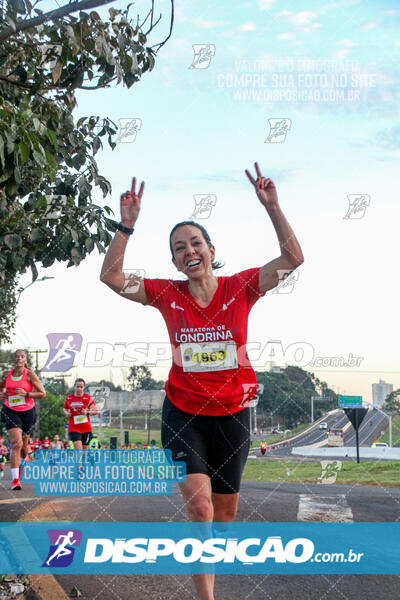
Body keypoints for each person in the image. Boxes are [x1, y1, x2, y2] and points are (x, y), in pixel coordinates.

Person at [100, 166, 303, 600]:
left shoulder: (242, 287)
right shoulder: (166, 294)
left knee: (222, 520)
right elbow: (112, 278)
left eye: (195, 243)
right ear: (174, 261)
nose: (188, 251)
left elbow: (292, 260)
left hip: (232, 416)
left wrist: (273, 207)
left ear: (211, 249)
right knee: (200, 507)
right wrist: (126, 226)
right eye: (178, 248)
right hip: (182, 415)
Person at [0, 349, 46, 490]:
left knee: (24, 447)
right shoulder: (6, 375)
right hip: (11, 410)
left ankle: (23, 462)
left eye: (22, 356)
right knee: (16, 443)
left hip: (27, 412)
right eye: (17, 356)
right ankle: (15, 480)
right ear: (13, 359)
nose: (19, 359)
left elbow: (42, 393)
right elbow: (1, 388)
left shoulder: (30, 374)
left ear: (25, 360)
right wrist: (2, 393)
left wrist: (26, 393)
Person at [63, 379, 98, 449]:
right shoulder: (69, 398)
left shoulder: (88, 398)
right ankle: (79, 460)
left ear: (84, 387)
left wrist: (87, 412)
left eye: (81, 387)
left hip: (86, 428)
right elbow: (64, 408)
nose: (79, 389)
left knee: (85, 451)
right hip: (74, 427)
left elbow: (95, 411)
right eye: (77, 386)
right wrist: (67, 413)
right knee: (79, 450)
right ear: (74, 387)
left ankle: (84, 460)